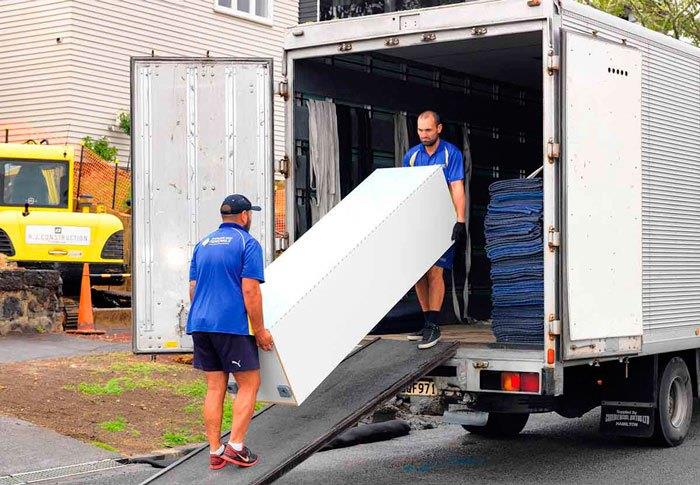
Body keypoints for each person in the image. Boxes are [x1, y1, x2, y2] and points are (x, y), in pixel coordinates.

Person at [186, 194, 274, 470]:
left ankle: (215, 450)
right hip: (231, 326)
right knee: (249, 383)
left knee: (215, 387)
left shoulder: (203, 244)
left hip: (200, 323)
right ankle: (236, 446)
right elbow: (250, 290)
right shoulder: (247, 244)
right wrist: (259, 330)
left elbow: (192, 288)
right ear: (245, 216)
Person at [402, 111, 467, 349]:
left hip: (443, 221)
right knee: (419, 273)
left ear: (439, 128)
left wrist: (460, 220)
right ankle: (427, 321)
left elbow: (457, 187)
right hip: (420, 223)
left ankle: (434, 324)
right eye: (420, 130)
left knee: (436, 271)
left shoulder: (451, 154)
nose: (423, 135)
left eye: (428, 130)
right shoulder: (411, 156)